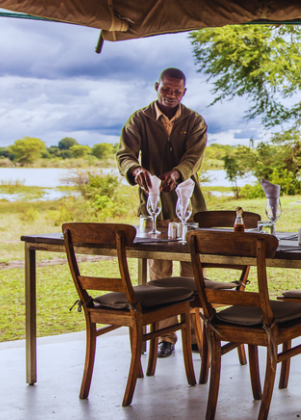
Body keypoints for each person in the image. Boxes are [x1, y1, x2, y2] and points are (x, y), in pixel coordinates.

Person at [117, 67, 207, 358]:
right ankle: (164, 336)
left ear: (184, 92)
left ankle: (196, 335)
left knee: (195, 270)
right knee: (160, 275)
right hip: (154, 209)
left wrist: (179, 174)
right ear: (157, 87)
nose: (170, 95)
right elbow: (124, 154)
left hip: (189, 206)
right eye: (166, 89)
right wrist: (136, 169)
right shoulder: (139, 119)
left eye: (176, 91)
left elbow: (193, 157)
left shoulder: (194, 121)